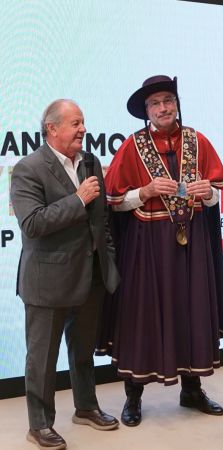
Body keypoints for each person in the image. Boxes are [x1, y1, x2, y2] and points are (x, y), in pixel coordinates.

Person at [96, 75, 223, 427]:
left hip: (192, 244)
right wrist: (144, 191)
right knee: (142, 316)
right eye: (155, 103)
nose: (163, 108)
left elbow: (217, 194)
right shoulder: (133, 145)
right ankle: (133, 396)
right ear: (146, 111)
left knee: (192, 311)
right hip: (147, 246)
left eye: (168, 100)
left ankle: (192, 390)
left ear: (177, 104)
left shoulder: (198, 141)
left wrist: (208, 193)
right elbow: (114, 201)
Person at [11, 99, 121, 450]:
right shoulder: (28, 168)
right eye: (75, 123)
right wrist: (77, 199)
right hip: (47, 282)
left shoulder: (90, 162)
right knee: (42, 359)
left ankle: (86, 406)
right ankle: (40, 425)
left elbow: (101, 219)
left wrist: (106, 258)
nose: (83, 129)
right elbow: (33, 223)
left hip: (91, 276)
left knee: (83, 351)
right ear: (52, 128)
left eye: (83, 122)